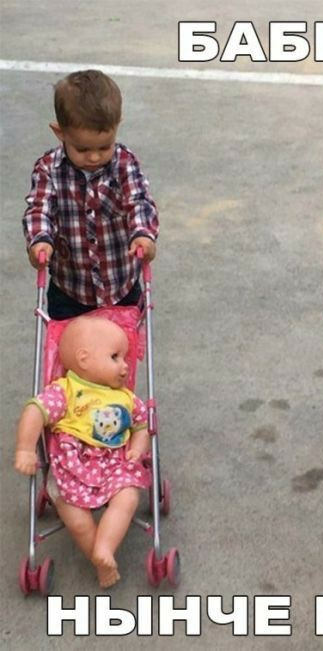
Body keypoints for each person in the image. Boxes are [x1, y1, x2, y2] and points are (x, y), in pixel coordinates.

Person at [14, 316, 151, 588]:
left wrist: (137, 447)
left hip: (115, 465)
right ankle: (99, 561)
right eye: (115, 357)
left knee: (127, 497)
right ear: (84, 359)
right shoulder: (65, 391)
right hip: (71, 469)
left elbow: (142, 425)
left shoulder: (125, 397)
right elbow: (34, 411)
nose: (125, 366)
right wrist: (25, 448)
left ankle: (104, 547)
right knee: (76, 520)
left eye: (125, 358)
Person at [22, 69, 159, 320]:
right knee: (70, 345)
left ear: (117, 126)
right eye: (83, 149)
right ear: (60, 132)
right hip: (70, 291)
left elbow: (138, 201)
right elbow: (39, 208)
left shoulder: (124, 164)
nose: (94, 157)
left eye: (104, 147)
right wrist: (40, 239)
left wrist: (142, 233)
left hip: (121, 288)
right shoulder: (49, 169)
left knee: (121, 344)